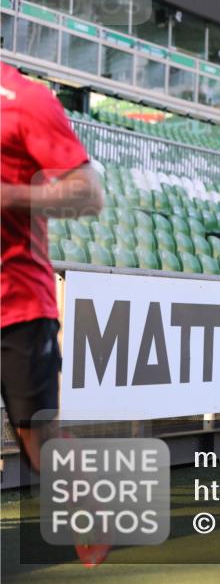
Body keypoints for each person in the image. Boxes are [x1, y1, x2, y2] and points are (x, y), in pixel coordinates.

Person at [1, 62, 107, 565]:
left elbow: (90, 192)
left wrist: (10, 197)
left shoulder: (27, 100)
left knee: (37, 445)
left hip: (18, 303)